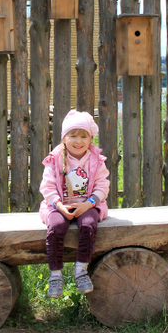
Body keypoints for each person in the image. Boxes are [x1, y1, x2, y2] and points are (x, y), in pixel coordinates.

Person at [39, 109, 110, 298]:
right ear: (64, 138)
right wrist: (59, 206)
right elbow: (48, 186)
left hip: (88, 205)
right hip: (59, 205)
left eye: (84, 136)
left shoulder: (96, 160)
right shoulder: (55, 160)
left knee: (88, 224)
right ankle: (55, 274)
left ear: (90, 139)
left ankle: (81, 270)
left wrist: (89, 204)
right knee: (56, 226)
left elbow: (102, 185)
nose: (78, 141)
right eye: (73, 136)